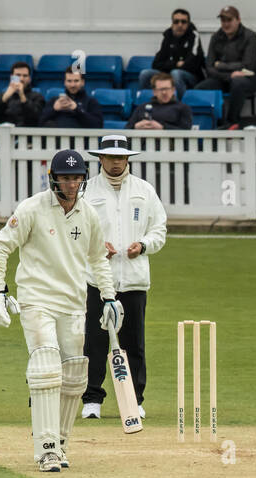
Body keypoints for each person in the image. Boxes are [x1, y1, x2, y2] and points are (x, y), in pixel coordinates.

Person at [0, 149, 122, 472]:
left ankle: (60, 443)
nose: (72, 184)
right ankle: (45, 448)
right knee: (47, 366)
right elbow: (0, 246)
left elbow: (97, 259)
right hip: (37, 299)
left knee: (75, 374)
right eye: (66, 178)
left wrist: (109, 297)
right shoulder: (32, 209)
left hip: (73, 302)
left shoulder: (88, 214)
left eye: (77, 178)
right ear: (54, 179)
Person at [79, 135, 168, 421]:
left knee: (134, 343)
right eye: (110, 157)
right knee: (94, 340)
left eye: (121, 157)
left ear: (127, 158)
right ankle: (92, 399)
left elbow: (159, 230)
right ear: (100, 159)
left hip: (134, 279)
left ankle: (135, 400)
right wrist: (95, 246)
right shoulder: (87, 191)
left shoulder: (144, 190)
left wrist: (143, 245)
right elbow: (75, 230)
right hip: (97, 279)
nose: (116, 162)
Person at [193, 5, 256, 129]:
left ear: (238, 20)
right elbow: (209, 67)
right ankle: (211, 123)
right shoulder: (216, 37)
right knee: (200, 88)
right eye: (223, 20)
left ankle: (232, 123)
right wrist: (229, 75)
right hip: (224, 78)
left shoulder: (249, 36)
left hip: (248, 79)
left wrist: (221, 65)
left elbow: (248, 65)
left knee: (238, 82)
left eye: (229, 20)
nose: (226, 24)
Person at [137, 8, 206, 97]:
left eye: (183, 22)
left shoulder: (194, 36)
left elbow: (194, 64)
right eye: (176, 22)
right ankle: (148, 104)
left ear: (188, 24)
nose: (180, 25)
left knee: (176, 74)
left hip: (192, 77)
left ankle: (179, 106)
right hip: (170, 74)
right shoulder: (168, 36)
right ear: (172, 23)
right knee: (145, 74)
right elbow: (156, 64)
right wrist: (176, 64)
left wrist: (171, 66)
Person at [39, 67, 104, 128]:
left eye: (76, 81)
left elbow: (98, 125)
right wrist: (54, 109)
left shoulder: (91, 102)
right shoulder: (54, 101)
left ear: (82, 82)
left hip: (81, 139)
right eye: (69, 81)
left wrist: (77, 109)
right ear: (64, 82)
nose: (72, 85)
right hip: (57, 139)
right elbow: (39, 123)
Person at [0, 60, 45, 126]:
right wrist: (4, 98)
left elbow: (36, 118)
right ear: (11, 77)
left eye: (25, 76)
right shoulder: (4, 96)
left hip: (26, 133)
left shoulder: (37, 96)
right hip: (5, 133)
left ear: (29, 79)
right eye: (18, 75)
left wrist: (22, 97)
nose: (21, 79)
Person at [127, 74, 193, 130]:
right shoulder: (142, 107)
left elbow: (186, 132)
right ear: (154, 91)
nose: (164, 92)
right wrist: (136, 126)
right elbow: (127, 129)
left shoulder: (183, 108)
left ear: (173, 90)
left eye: (167, 89)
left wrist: (162, 127)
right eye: (161, 89)